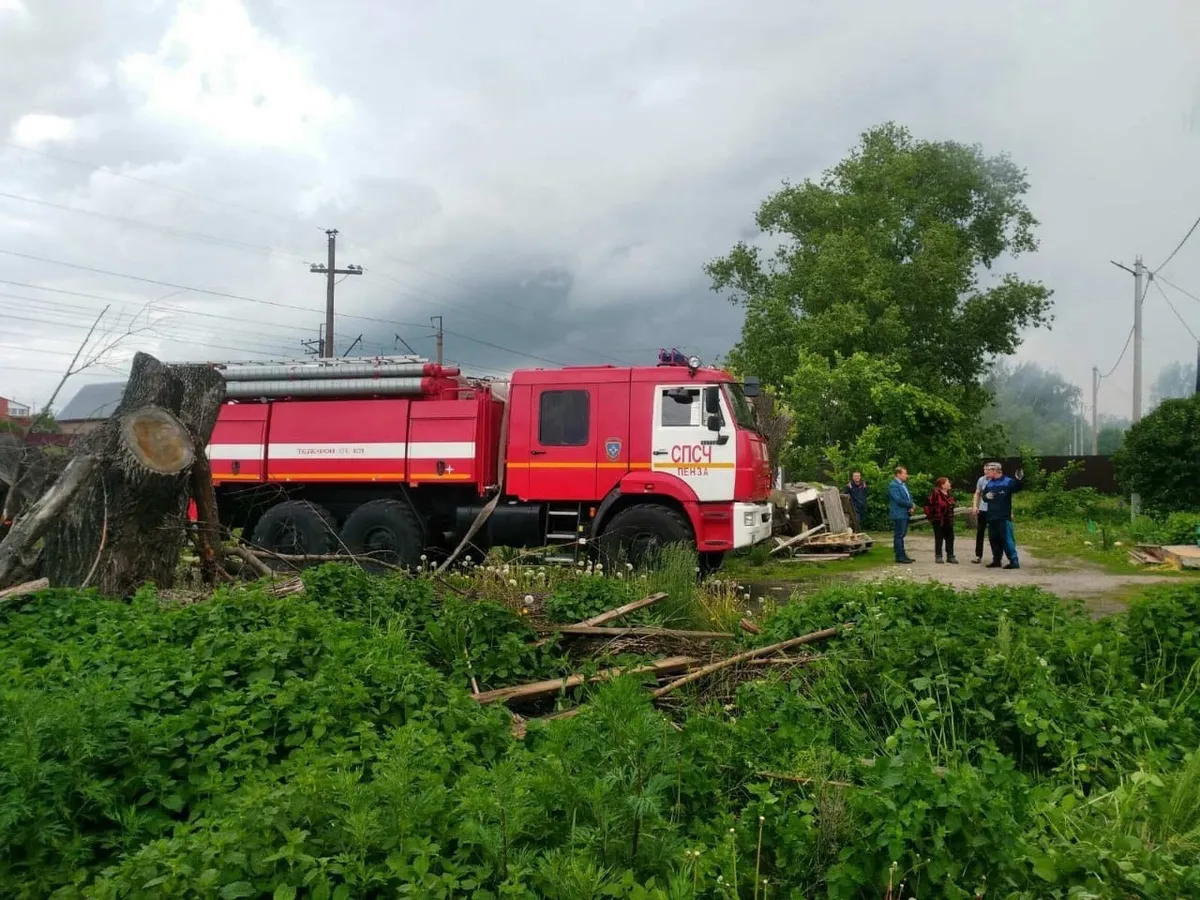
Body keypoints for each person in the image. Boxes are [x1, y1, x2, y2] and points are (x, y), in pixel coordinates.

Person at [981, 464, 1025, 569]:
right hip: (991, 516)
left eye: (989, 470)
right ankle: (996, 560)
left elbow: (1017, 488)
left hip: (1003, 516)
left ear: (996, 470)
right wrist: (986, 496)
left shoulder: (1008, 481)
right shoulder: (990, 483)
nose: (987, 472)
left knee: (1007, 539)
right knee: (994, 540)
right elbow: (984, 497)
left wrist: (1019, 480)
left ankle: (1014, 561)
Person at [924, 477, 959, 564]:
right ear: (942, 485)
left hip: (948, 519)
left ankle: (950, 556)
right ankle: (938, 556)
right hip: (938, 519)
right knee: (939, 537)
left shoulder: (949, 494)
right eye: (948, 482)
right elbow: (927, 506)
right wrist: (931, 517)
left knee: (950, 537)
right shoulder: (935, 493)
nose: (950, 484)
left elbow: (952, 504)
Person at [970, 462, 997, 564]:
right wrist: (975, 505)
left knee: (994, 534)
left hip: (994, 510)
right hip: (983, 509)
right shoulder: (981, 480)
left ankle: (996, 557)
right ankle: (978, 555)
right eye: (985, 470)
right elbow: (977, 493)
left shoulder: (997, 480)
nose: (986, 472)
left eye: (988, 470)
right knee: (980, 532)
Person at [887, 465, 915, 564]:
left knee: (901, 535)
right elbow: (898, 500)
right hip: (899, 514)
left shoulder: (903, 484)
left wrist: (911, 506)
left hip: (905, 512)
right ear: (898, 474)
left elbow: (908, 496)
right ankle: (900, 556)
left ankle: (902, 555)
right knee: (899, 535)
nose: (907, 475)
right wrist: (910, 505)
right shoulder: (893, 485)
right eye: (905, 473)